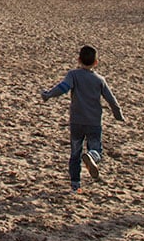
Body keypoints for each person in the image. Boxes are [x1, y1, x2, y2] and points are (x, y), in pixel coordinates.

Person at [40, 45, 124, 192]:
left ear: (78, 60)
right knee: (96, 147)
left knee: (75, 154)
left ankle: (75, 185)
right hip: (93, 122)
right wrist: (118, 115)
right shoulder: (99, 79)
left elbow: (63, 87)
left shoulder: (73, 75)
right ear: (96, 62)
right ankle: (92, 155)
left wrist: (48, 95)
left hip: (76, 122)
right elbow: (111, 99)